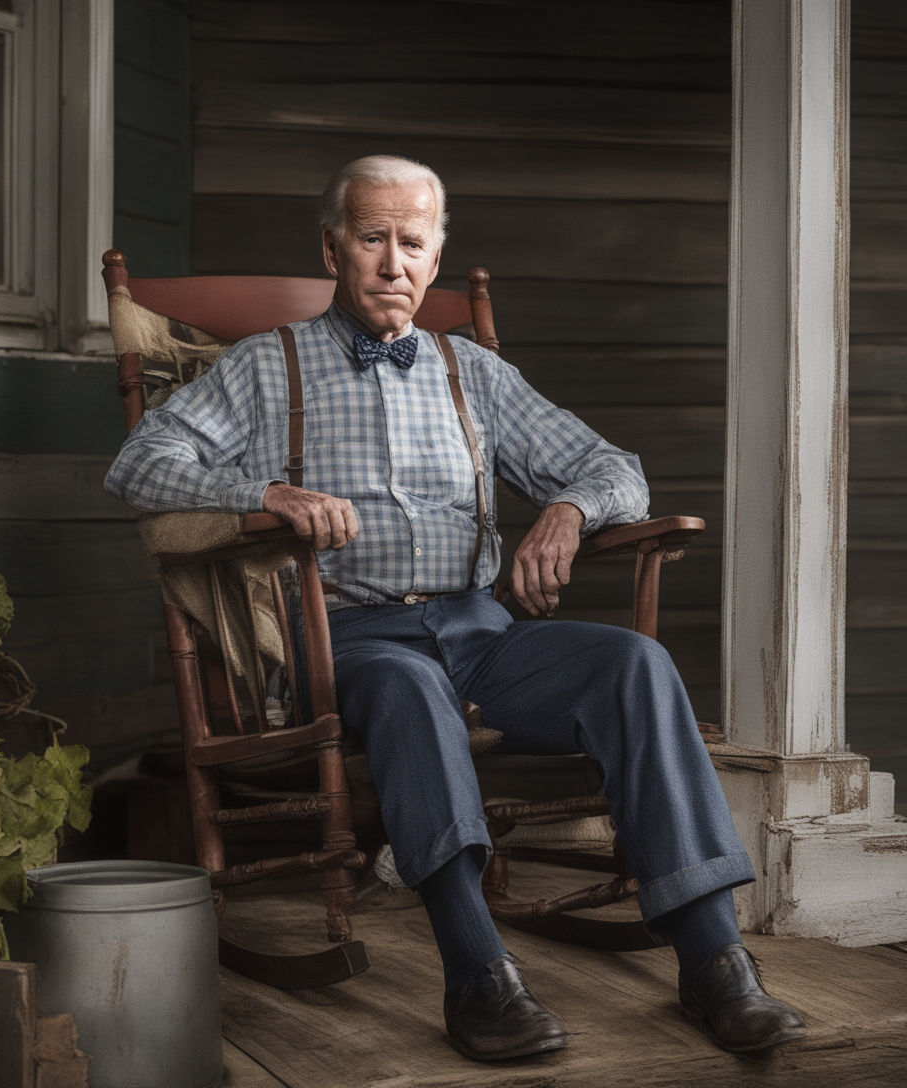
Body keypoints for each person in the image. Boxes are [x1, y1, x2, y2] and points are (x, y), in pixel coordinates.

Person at [105, 155, 807, 1062]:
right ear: (333, 248)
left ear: (436, 258)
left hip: (480, 633)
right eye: (371, 239)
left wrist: (565, 511)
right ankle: (479, 974)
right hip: (349, 639)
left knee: (635, 666)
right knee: (407, 688)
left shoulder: (469, 371)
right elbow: (139, 464)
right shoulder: (265, 369)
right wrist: (266, 491)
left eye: (412, 242)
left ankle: (715, 963)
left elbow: (614, 469)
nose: (393, 262)